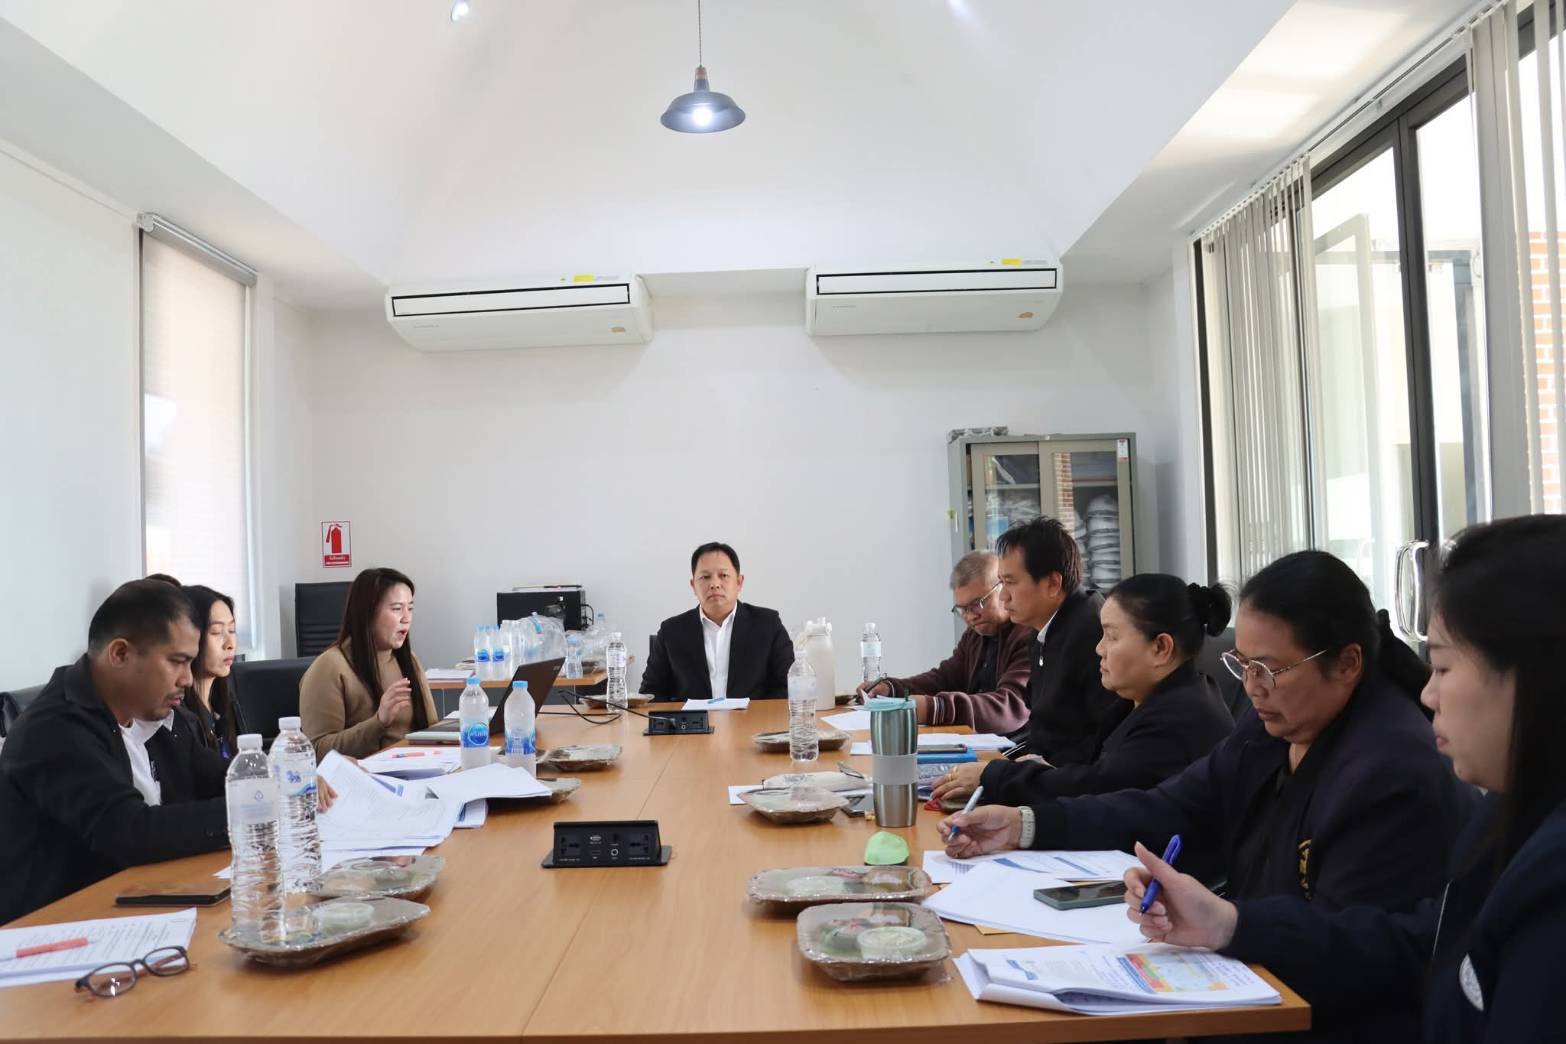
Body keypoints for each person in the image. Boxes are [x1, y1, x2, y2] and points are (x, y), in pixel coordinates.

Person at [1123, 517, 1563, 1042]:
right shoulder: (1509, 813)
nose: (1429, 694)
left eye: (1444, 667)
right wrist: (1227, 924)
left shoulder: (1396, 772)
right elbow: (1415, 939)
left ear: (1536, 677)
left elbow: (1378, 974)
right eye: (1246, 666)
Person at [940, 549, 1471, 941]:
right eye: (1244, 665)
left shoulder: (1389, 769)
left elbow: (1357, 943)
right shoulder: (1276, 725)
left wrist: (1228, 924)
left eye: (1270, 669)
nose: (1253, 687)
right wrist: (1024, 824)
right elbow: (1169, 806)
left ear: (1348, 663)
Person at [0, 581, 229, 922]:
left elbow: (218, 777)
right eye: (177, 662)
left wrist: (277, 783)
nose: (186, 679)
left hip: (138, 904)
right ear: (120, 653)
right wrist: (248, 810)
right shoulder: (54, 729)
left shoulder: (161, 717)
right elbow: (129, 831)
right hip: (55, 929)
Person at [934, 574, 1235, 805]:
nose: (1099, 649)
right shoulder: (1140, 700)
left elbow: (1099, 788)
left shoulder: (1179, 720)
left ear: (1161, 648)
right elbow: (1094, 773)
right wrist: (1042, 770)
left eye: (1112, 637)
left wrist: (996, 777)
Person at [856, 551, 1033, 733]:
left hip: (1017, 744)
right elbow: (944, 679)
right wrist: (891, 689)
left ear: (1002, 589)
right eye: (962, 609)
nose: (970, 616)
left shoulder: (1029, 635)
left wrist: (935, 708)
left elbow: (1009, 707)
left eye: (977, 603)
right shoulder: (974, 636)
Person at [994, 517, 1124, 764]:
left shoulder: (1093, 633)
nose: (1003, 596)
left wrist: (1024, 772)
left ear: (1053, 584)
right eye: (1001, 583)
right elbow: (1044, 728)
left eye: (1010, 582)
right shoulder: (1042, 629)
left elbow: (1103, 739)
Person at [299, 567, 436, 758]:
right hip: (364, 774)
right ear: (368, 613)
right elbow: (316, 751)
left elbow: (431, 728)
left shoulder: (408, 660)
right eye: (397, 609)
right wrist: (379, 722)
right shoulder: (329, 667)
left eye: (410, 608)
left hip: (417, 767)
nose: (406, 618)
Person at [639, 542, 794, 700]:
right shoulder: (671, 631)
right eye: (705, 577)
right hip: (693, 717)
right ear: (693, 586)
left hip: (753, 716)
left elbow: (789, 685)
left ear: (739, 582)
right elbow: (650, 693)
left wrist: (756, 713)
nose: (714, 584)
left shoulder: (768, 624)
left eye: (723, 576)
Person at [178, 585, 248, 760]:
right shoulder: (177, 716)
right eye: (216, 632)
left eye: (232, 630)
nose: (230, 644)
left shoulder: (225, 702)